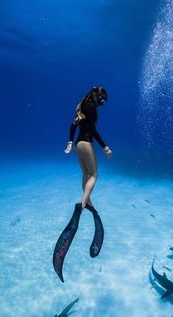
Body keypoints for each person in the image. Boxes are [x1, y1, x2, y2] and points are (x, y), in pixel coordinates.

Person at [53, 86, 112, 283]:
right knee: (94, 175)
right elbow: (93, 131)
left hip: (78, 145)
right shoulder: (89, 107)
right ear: (96, 96)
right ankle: (83, 203)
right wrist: (105, 147)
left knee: (85, 173)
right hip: (87, 144)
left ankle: (88, 201)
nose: (101, 104)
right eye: (101, 100)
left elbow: (72, 126)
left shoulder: (80, 106)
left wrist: (70, 143)